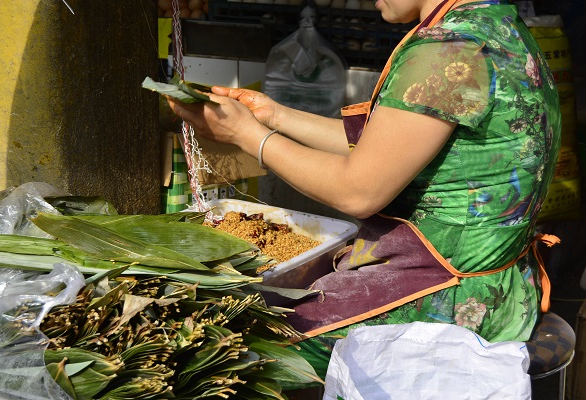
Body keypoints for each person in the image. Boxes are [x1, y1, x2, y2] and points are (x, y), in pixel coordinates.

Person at [167, 0, 562, 381]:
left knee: (221, 350)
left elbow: (358, 192)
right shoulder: (494, 24)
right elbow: (387, 145)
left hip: (444, 300)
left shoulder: (448, 50)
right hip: (502, 287)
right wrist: (274, 116)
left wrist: (246, 136)